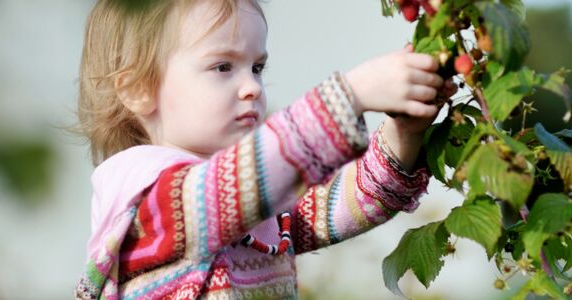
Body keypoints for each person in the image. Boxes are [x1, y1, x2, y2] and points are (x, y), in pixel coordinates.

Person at [75, 0, 446, 299]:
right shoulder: (149, 200)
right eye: (222, 67)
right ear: (138, 89)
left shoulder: (252, 203)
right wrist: (350, 96)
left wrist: (404, 133)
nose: (252, 86)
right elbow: (233, 188)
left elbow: (336, 204)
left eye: (257, 67)